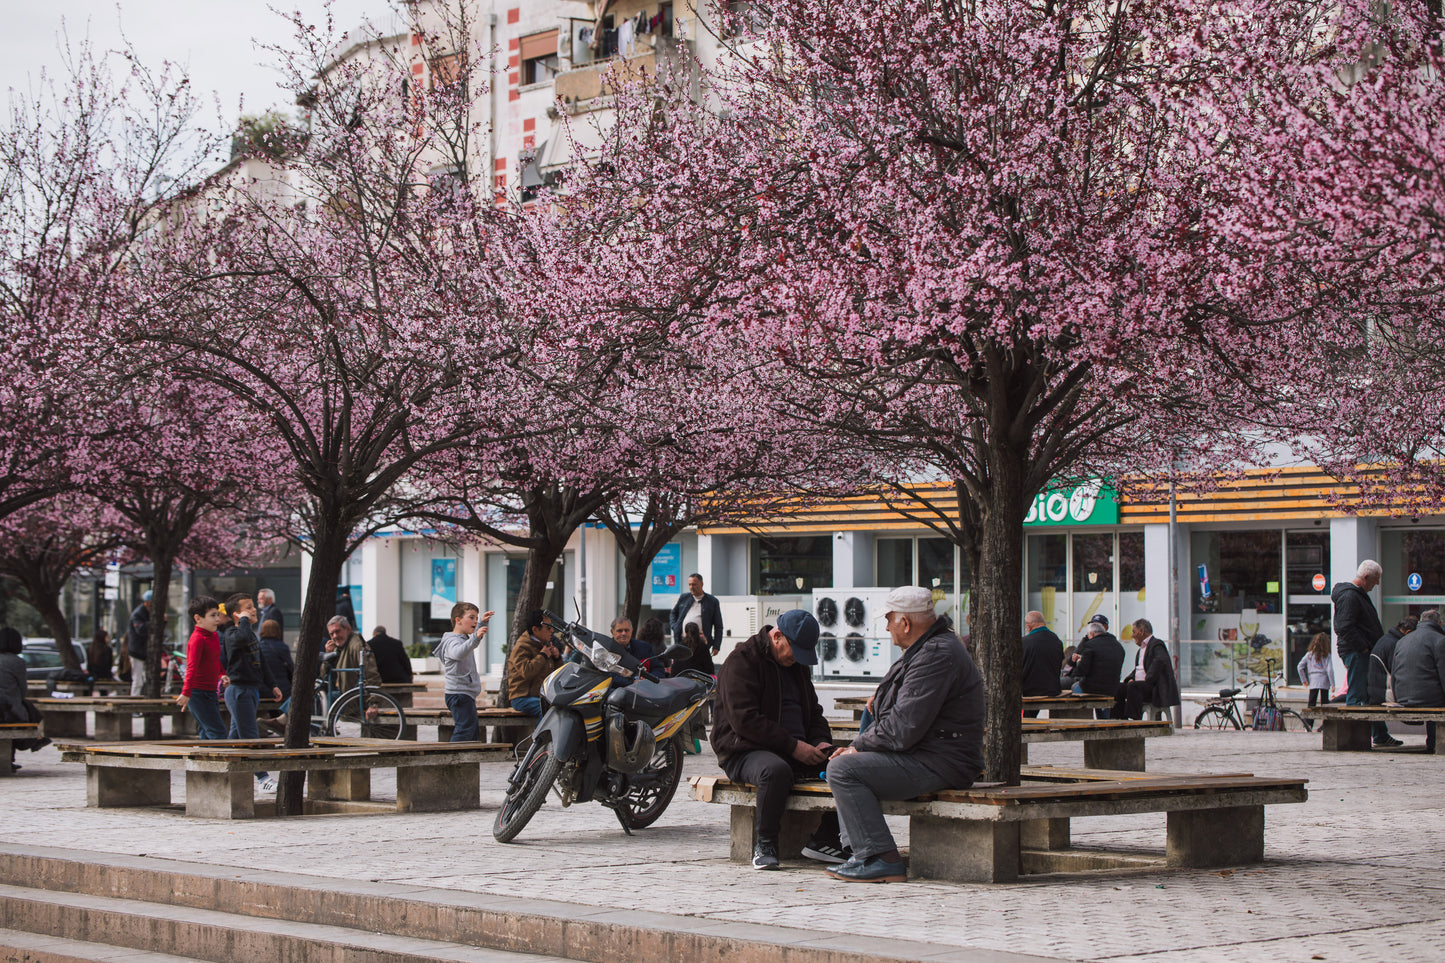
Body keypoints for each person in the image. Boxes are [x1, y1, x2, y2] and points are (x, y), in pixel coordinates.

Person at [824, 587, 984, 883]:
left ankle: (879, 857)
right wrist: (881, 698)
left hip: (941, 761)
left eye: (889, 620)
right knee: (843, 764)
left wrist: (857, 747)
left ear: (905, 623)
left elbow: (903, 727)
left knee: (843, 770)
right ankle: (859, 852)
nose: (886, 628)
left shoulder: (935, 653)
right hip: (932, 754)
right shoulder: (929, 647)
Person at [711, 608, 846, 870]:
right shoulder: (741, 661)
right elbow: (745, 721)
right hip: (744, 750)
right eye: (794, 652)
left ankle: (826, 839)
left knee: (846, 763)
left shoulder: (797, 668)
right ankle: (766, 844)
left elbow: (814, 713)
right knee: (774, 771)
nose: (796, 660)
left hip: (795, 748)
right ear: (777, 637)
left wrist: (820, 742)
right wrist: (794, 747)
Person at [221, 594, 284, 792]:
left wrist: (272, 684)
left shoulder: (250, 635)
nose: (253, 610)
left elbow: (261, 661)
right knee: (250, 735)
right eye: (247, 608)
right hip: (238, 690)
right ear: (236, 614)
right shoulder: (232, 633)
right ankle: (262, 778)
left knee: (236, 735)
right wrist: (245, 620)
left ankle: (226, 773)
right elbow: (239, 639)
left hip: (250, 689)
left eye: (252, 607)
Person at [1332, 560, 1396, 747]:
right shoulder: (1351, 597)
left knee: (1368, 694)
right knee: (1358, 695)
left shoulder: (1354, 595)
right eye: (1375, 580)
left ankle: (1380, 735)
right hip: (1357, 652)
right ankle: (1353, 737)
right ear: (1366, 577)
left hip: (1360, 651)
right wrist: (1363, 647)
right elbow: (1344, 627)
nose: (1377, 584)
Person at [435, 603, 493, 741]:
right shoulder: (452, 641)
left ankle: (465, 759)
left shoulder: (464, 639)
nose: (475, 621)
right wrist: (476, 636)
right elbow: (458, 653)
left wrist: (482, 623)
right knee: (465, 730)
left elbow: (471, 644)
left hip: (464, 694)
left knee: (472, 732)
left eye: (476, 618)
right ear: (458, 620)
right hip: (458, 694)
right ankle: (452, 758)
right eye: (471, 617)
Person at [1390, 609, 1445, 751]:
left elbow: (1394, 672)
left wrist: (1397, 697)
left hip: (1402, 697)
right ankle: (1434, 742)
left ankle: (1432, 741)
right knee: (1437, 700)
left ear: (1420, 622)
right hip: (1430, 698)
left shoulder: (1402, 640)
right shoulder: (1440, 640)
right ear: (1439, 623)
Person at [176, 595, 227, 741]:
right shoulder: (197, 639)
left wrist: (221, 674)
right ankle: (220, 762)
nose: (217, 619)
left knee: (206, 731)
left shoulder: (214, 636)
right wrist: (186, 693)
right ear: (198, 618)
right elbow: (191, 667)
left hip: (210, 691)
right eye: (213, 615)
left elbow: (214, 659)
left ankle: (205, 761)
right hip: (197, 693)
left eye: (217, 614)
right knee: (217, 732)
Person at [1, 627, 49, 770]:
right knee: (23, 710)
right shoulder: (17, 662)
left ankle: (31, 742)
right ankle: (33, 740)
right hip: (8, 710)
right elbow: (22, 691)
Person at [1112, 619, 1181, 720]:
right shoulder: (1142, 649)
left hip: (1154, 688)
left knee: (1133, 687)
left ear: (1142, 631)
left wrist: (1148, 678)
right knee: (1119, 688)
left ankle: (1135, 720)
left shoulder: (1157, 644)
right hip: (1141, 686)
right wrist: (1130, 678)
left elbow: (1160, 660)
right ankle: (1118, 720)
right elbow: (1139, 668)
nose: (1132, 635)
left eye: (1134, 632)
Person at [507, 610, 563, 717]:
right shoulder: (522, 646)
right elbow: (526, 672)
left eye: (552, 627)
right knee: (546, 709)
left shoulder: (544, 645)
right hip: (522, 697)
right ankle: (541, 734)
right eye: (548, 627)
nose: (552, 631)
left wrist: (556, 658)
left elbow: (556, 675)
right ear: (535, 629)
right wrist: (542, 656)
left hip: (542, 696)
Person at [1068, 616, 1125, 714]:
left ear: (1091, 634)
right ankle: (1104, 720)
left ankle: (1080, 720)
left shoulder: (1090, 645)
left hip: (1092, 687)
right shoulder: (1118, 646)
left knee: (1075, 688)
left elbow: (1081, 671)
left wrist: (1079, 661)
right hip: (1112, 688)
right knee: (1102, 701)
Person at [322, 616, 382, 695]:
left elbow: (370, 674)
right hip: (345, 698)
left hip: (354, 701)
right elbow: (324, 675)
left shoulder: (357, 645)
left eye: (337, 631)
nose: (335, 636)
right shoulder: (339, 646)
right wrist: (328, 655)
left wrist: (373, 703)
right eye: (331, 634)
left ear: (347, 629)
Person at [670, 573, 723, 655]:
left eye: (694, 584)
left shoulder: (712, 601)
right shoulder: (684, 597)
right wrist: (674, 626)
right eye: (689, 584)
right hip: (682, 642)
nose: (691, 587)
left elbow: (718, 626)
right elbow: (673, 613)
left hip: (702, 643)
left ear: (701, 584)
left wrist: (716, 646)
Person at [1370, 616, 1417, 707]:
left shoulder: (1388, 639)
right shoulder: (1395, 645)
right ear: (1408, 632)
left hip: (1378, 692)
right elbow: (1400, 672)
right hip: (1385, 694)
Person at [257, 619, 294, 731]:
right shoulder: (282, 647)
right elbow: (291, 669)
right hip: (281, 689)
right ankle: (278, 723)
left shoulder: (258, 647)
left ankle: (273, 724)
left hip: (261, 691)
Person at [1021, 610, 1064, 699]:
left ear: (1028, 627)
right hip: (1053, 690)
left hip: (1029, 690)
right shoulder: (1056, 640)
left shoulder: (1024, 642)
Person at [1296, 633, 1336, 709]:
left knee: (1311, 703)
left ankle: (1308, 720)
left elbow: (1299, 667)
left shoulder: (1309, 655)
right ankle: (1325, 719)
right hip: (1324, 680)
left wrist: (1304, 680)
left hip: (1313, 680)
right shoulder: (1327, 656)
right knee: (1325, 704)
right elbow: (1329, 670)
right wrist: (1332, 684)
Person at [127, 591, 153, 696]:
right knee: (138, 680)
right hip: (137, 651)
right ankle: (135, 702)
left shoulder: (149, 612)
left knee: (145, 679)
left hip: (145, 651)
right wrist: (155, 622)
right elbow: (140, 630)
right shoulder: (138, 613)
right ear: (146, 602)